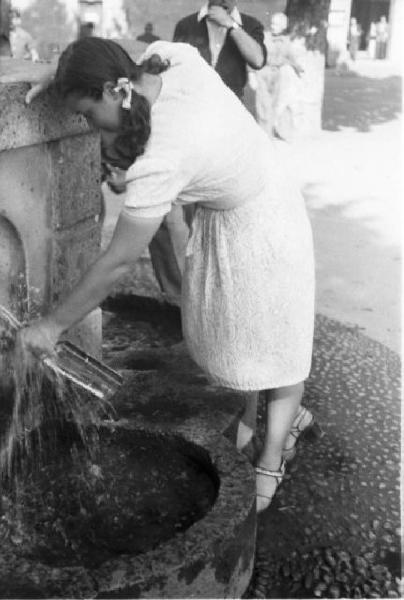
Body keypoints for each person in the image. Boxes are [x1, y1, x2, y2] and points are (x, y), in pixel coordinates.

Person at [22, 37, 318, 513]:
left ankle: (273, 453)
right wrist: (60, 74)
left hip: (268, 224)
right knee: (234, 342)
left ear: (116, 91)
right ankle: (252, 420)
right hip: (231, 211)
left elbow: (117, 261)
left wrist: (51, 325)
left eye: (89, 116)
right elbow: (122, 52)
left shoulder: (164, 154)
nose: (92, 131)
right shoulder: (173, 61)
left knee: (275, 344)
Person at [173, 0, 266, 100]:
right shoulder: (186, 25)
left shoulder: (251, 24)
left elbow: (258, 61)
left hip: (232, 104)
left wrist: (231, 25)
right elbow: (176, 69)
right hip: (194, 101)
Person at [255, 12, 304, 141]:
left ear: (283, 26)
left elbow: (290, 56)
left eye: (276, 24)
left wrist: (298, 68)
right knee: (263, 104)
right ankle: (263, 136)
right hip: (263, 72)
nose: (272, 26)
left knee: (273, 104)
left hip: (276, 75)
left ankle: (268, 133)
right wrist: (251, 74)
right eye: (272, 23)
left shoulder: (285, 40)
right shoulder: (263, 37)